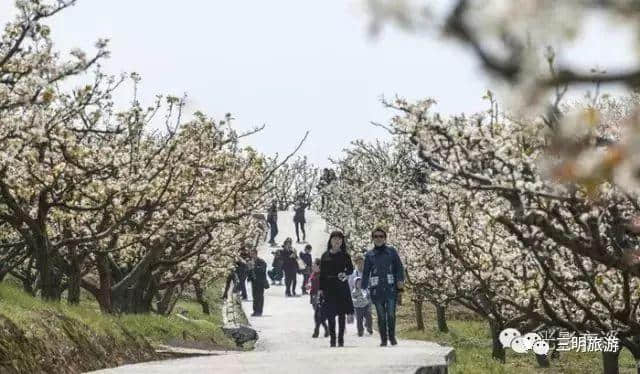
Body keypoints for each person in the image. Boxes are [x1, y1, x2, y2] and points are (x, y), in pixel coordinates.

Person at [361, 227, 405, 347]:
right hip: (376, 289)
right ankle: (383, 339)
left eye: (381, 236)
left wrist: (400, 283)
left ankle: (392, 337)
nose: (378, 238)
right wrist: (363, 288)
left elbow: (399, 268)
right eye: (376, 236)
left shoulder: (392, 251)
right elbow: (365, 273)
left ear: (385, 238)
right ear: (373, 239)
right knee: (381, 315)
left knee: (391, 314)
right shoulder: (369, 255)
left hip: (391, 288)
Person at [319, 230, 354, 347]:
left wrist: (345, 274)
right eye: (334, 238)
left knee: (342, 313)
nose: (337, 241)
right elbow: (322, 274)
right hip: (329, 287)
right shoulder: (325, 255)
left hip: (341, 286)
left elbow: (350, 269)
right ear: (330, 240)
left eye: (339, 239)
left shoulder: (345, 255)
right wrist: (320, 289)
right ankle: (332, 339)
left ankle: (341, 339)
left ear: (342, 241)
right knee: (331, 314)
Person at [308, 258, 328, 338]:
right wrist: (308, 286)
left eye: (314, 265)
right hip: (313, 296)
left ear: (319, 266)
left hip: (321, 297)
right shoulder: (313, 274)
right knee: (320, 316)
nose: (313, 266)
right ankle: (327, 330)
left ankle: (316, 331)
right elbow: (310, 283)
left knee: (318, 315)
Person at [247, 248, 269, 316]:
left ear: (256, 254)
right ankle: (255, 310)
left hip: (260, 281)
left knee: (260, 296)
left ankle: (259, 311)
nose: (252, 255)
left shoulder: (261, 261)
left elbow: (263, 270)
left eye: (253, 254)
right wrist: (249, 273)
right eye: (251, 254)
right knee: (254, 296)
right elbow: (249, 271)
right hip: (254, 281)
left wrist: (254, 267)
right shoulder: (250, 261)